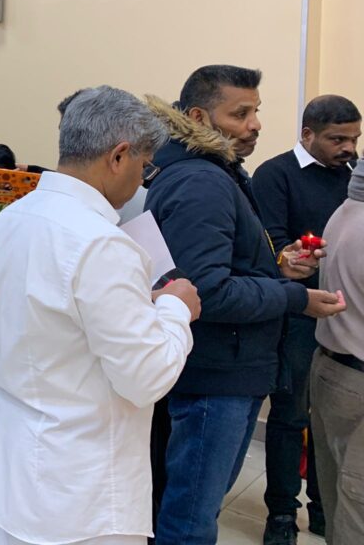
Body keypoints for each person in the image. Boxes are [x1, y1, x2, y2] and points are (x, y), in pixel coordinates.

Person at [0, 85, 200, 545]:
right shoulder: (100, 242)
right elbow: (146, 377)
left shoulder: (9, 220)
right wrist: (176, 307)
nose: (141, 181)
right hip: (84, 489)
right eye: (143, 166)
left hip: (19, 467)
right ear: (118, 156)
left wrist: (137, 304)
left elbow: (50, 319)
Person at [144, 66, 347, 545]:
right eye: (241, 114)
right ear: (198, 117)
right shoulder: (202, 182)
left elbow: (218, 267)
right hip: (216, 375)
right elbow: (207, 290)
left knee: (188, 504)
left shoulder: (214, 171)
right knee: (190, 519)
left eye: (256, 111)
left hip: (221, 366)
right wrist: (296, 297)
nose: (255, 124)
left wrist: (277, 266)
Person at [253, 94, 361, 543]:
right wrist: (295, 259)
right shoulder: (275, 175)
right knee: (290, 414)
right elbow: (272, 246)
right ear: (307, 134)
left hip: (343, 315)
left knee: (327, 420)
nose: (349, 148)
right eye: (338, 139)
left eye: (355, 138)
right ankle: (282, 512)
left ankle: (322, 506)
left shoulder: (353, 177)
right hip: (298, 312)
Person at [311, 161, 364, 545]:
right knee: (355, 515)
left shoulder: (346, 210)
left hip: (333, 368)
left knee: (338, 499)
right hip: (357, 377)